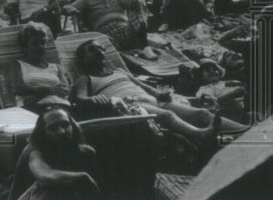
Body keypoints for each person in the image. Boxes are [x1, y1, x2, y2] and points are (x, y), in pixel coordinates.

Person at [72, 38, 234, 141]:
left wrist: (158, 94)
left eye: (101, 48)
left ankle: (243, 130)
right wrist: (93, 99)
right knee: (168, 115)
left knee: (202, 113)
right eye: (92, 50)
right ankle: (201, 134)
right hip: (130, 108)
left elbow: (142, 86)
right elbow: (80, 99)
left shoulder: (119, 71)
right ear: (83, 59)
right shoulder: (85, 78)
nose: (99, 52)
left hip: (152, 101)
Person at [8, 104, 100, 200]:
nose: (61, 131)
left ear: (73, 125)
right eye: (53, 128)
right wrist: (82, 177)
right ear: (43, 133)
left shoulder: (84, 151)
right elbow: (45, 176)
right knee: (49, 188)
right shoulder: (34, 150)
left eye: (65, 125)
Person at [64, 0, 147, 51]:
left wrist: (133, 0)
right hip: (105, 32)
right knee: (104, 41)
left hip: (126, 29)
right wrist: (70, 9)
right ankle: (130, 49)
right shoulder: (87, 0)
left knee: (136, 6)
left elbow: (128, 2)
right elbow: (68, 7)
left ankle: (145, 47)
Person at [7, 22, 69, 109]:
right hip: (30, 109)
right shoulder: (17, 65)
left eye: (43, 42)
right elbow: (17, 89)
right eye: (35, 43)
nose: (40, 47)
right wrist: (48, 90)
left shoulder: (56, 67)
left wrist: (35, 92)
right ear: (25, 47)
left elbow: (64, 90)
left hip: (57, 105)